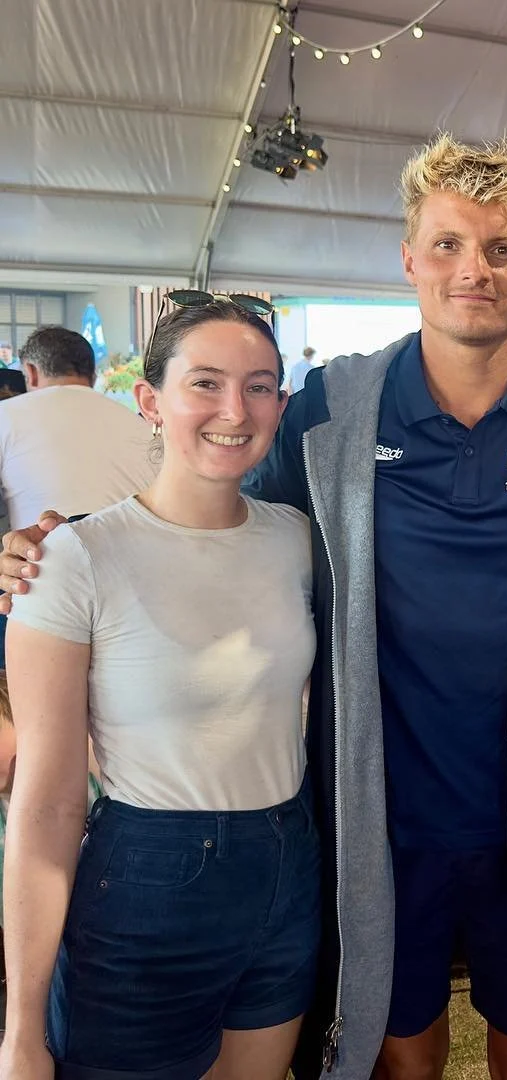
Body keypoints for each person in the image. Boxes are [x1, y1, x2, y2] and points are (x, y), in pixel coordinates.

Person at [0, 135, 507, 1080]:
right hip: (374, 819)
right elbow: (209, 508)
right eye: (447, 245)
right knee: (396, 1044)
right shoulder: (332, 412)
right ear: (409, 260)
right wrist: (59, 548)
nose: (474, 270)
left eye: (502, 249)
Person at [0, 298, 319, 1080]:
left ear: (281, 402)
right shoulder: (69, 559)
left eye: (260, 387)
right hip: (149, 880)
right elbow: (43, 803)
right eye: (204, 383)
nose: (233, 411)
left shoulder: (298, 540)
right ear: (149, 401)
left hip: (288, 863)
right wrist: (21, 1028)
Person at [0, 327, 156, 535]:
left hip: (39, 560)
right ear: (93, 376)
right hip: (137, 558)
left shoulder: (6, 416)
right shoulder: (141, 427)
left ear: (31, 372)